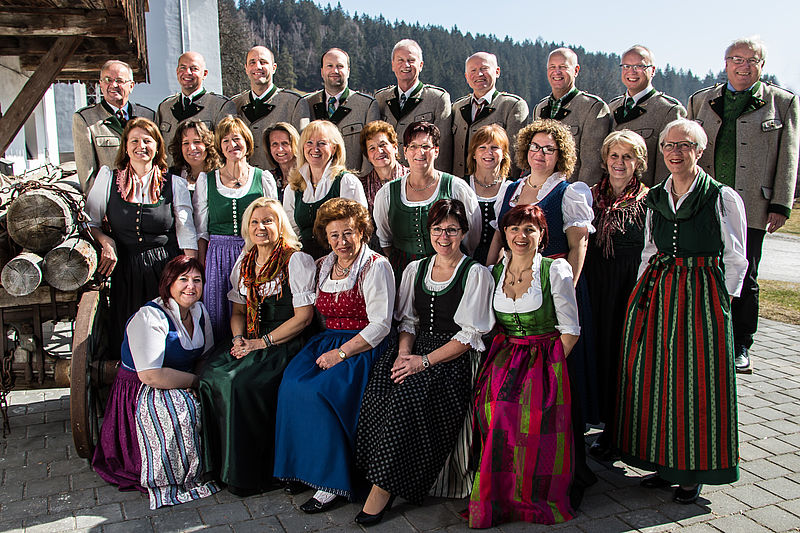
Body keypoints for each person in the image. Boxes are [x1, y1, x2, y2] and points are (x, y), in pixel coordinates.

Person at [614, 118, 748, 505]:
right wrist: (640, 292)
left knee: (696, 380)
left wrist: (723, 303)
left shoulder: (722, 197)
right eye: (669, 145)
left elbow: (736, 257)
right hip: (659, 289)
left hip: (702, 293)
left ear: (699, 151)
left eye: (684, 145)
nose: (675, 152)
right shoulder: (656, 196)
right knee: (657, 376)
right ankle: (664, 463)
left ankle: (693, 472)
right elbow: (649, 249)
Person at [355, 199, 494, 526]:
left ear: (464, 233)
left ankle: (383, 490)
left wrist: (423, 362)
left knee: (410, 398)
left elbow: (468, 336)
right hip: (416, 348)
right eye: (437, 229)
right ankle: (375, 475)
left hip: (452, 356)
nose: (444, 237)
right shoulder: (416, 269)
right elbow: (408, 322)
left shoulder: (475, 274)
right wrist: (404, 354)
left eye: (452, 230)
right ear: (428, 231)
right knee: (379, 388)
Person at [486, 119, 597, 508]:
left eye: (549, 149)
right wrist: (488, 273)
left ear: (560, 154)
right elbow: (500, 235)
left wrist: (562, 287)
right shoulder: (512, 189)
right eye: (535, 147)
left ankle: (570, 468)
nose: (541, 154)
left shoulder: (569, 191)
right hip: (513, 282)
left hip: (553, 287)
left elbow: (578, 245)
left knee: (560, 383)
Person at [273, 198, 395, 513]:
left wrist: (341, 354)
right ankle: (303, 469)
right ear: (326, 238)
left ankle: (330, 483)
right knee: (291, 384)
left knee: (319, 393)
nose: (342, 241)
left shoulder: (375, 266)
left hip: (363, 345)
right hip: (327, 340)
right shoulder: (323, 265)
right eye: (335, 235)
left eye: (348, 233)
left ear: (362, 232)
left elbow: (380, 325)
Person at [687, 36, 799, 374]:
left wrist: (781, 204)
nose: (743, 66)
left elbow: (789, 157)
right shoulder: (701, 100)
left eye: (751, 60)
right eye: (736, 59)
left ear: (762, 65)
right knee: (702, 271)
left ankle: (740, 344)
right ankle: (704, 337)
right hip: (704, 203)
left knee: (745, 274)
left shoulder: (782, 103)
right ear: (726, 64)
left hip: (753, 205)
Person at [468, 204, 580, 528]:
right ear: (504, 234)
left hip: (545, 358)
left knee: (523, 416)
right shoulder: (493, 272)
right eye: (514, 228)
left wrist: (549, 370)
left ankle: (526, 498)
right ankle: (498, 494)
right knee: (492, 410)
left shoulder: (554, 270)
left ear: (542, 235)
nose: (521, 235)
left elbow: (570, 331)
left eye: (529, 229)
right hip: (505, 356)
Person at [199, 198, 315, 496]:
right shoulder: (246, 261)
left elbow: (303, 318)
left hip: (283, 341)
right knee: (211, 375)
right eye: (254, 222)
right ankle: (221, 466)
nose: (260, 227)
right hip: (250, 338)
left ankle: (250, 473)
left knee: (240, 384)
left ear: (280, 226)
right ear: (247, 228)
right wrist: (238, 339)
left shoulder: (295, 260)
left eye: (268, 221)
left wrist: (261, 342)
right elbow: (238, 311)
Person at [92, 255, 219, 509]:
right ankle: (170, 471)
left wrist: (199, 383)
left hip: (181, 379)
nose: (191, 286)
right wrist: (196, 383)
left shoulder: (199, 312)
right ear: (168, 283)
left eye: (197, 280)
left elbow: (205, 356)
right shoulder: (150, 317)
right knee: (180, 410)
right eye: (183, 279)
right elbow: (151, 375)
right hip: (143, 388)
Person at [86, 117, 198, 351]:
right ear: (125, 147)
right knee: (130, 333)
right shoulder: (108, 179)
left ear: (157, 146)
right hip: (126, 269)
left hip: (165, 270)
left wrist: (190, 277)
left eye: (147, 141)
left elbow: (186, 232)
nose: (141, 146)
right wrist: (106, 241)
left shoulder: (174, 183)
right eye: (134, 141)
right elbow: (90, 222)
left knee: (168, 334)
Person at [585, 130, 649, 461]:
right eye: (614, 155)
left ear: (639, 162)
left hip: (627, 286)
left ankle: (617, 431)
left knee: (621, 356)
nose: (619, 163)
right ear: (604, 159)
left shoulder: (649, 200)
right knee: (594, 349)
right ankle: (589, 416)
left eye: (627, 156)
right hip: (593, 283)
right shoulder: (589, 195)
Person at [193, 116, 278, 340]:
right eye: (226, 141)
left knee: (253, 309)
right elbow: (201, 231)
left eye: (237, 139)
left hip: (254, 252)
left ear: (247, 142)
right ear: (220, 147)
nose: (232, 145)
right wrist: (202, 265)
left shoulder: (263, 178)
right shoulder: (206, 180)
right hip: (217, 255)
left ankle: (251, 352)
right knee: (218, 311)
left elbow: (275, 223)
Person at [373, 121, 480, 277]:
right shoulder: (387, 193)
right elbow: (385, 240)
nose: (420, 152)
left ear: (436, 151)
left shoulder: (456, 188)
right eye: (413, 146)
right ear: (405, 151)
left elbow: (471, 237)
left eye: (426, 146)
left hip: (449, 271)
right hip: (402, 272)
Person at [282, 119, 367, 259]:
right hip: (305, 260)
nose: (315, 149)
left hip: (340, 260)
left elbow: (358, 228)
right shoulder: (293, 187)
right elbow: (291, 232)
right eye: (309, 143)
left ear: (334, 148)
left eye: (322, 143)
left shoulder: (346, 182)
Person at [608, 45, 686, 187]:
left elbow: (667, 168)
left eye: (639, 66)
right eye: (626, 66)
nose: (631, 72)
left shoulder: (668, 110)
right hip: (611, 194)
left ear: (653, 70)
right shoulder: (611, 108)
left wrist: (657, 197)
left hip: (646, 195)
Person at [72, 60, 155, 193]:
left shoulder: (148, 116)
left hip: (146, 193)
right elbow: (87, 174)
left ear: (131, 86)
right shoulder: (86, 119)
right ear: (100, 84)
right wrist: (97, 201)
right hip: (110, 196)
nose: (113, 85)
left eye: (119, 80)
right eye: (107, 80)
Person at [533, 48, 611, 185]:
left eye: (563, 67)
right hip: (540, 189)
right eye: (552, 67)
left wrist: (579, 194)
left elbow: (592, 165)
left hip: (570, 191)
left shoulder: (592, 107)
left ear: (576, 70)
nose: (557, 72)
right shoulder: (540, 108)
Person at [374, 39, 453, 172]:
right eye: (400, 60)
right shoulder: (381, 98)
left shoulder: (437, 99)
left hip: (421, 177)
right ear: (393, 65)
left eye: (411, 60)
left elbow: (443, 148)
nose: (406, 65)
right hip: (386, 176)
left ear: (421, 65)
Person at [300, 48, 380, 172]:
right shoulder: (307, 103)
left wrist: (362, 179)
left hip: (352, 179)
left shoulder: (367, 105)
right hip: (315, 180)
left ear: (348, 71)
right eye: (329, 66)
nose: (335, 71)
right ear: (322, 71)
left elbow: (372, 150)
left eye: (340, 66)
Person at [452, 52, 528, 178]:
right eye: (473, 70)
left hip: (494, 184)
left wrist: (507, 184)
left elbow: (515, 153)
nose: (479, 74)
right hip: (458, 183)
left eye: (484, 68)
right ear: (466, 76)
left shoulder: (512, 106)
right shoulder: (457, 106)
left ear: (497, 72)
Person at [233, 46, 309, 171]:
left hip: (284, 178)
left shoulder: (294, 103)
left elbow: (304, 148)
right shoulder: (235, 104)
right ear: (246, 68)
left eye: (263, 62)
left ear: (274, 68)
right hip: (245, 179)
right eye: (252, 62)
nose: (257, 67)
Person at [156, 51, 237, 153]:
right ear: (177, 71)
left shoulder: (220, 106)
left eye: (194, 68)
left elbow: (228, 148)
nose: (187, 72)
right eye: (182, 68)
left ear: (204, 74)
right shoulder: (165, 107)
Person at [466, 124, 513, 264]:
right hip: (464, 261)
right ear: (474, 154)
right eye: (482, 147)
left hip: (501, 263)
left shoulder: (512, 188)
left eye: (494, 147)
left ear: (504, 154)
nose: (488, 152)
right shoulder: (461, 186)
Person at [359, 120, 409, 211]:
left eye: (383, 145)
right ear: (368, 156)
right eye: (372, 148)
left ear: (395, 147)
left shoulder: (412, 177)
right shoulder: (362, 186)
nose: (379, 151)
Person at [167, 119, 221, 192]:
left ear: (207, 145)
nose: (192, 148)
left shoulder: (221, 176)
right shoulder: (171, 176)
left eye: (197, 142)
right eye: (186, 143)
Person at [263, 121, 300, 198]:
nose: (279, 149)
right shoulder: (268, 178)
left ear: (295, 144)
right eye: (274, 144)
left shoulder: (305, 176)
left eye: (285, 143)